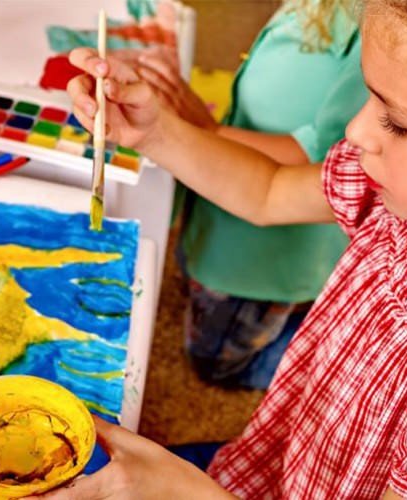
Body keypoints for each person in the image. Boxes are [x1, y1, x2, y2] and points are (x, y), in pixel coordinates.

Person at [38, 0, 407, 497]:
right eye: (370, 98)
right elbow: (269, 191)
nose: (356, 131)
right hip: (275, 471)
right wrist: (157, 132)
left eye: (397, 122)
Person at [125, 0, 368, 389]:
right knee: (195, 275)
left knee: (216, 361)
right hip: (224, 209)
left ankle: (328, 361)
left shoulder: (382, 31)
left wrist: (204, 130)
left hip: (260, 259)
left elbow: (331, 162)